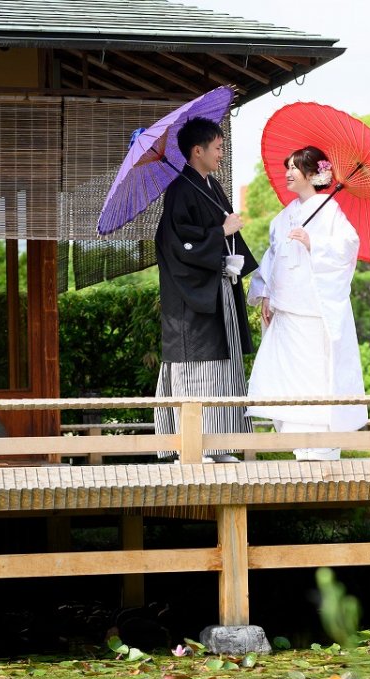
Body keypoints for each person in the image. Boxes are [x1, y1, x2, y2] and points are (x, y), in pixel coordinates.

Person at [246, 146, 366, 460]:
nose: (288, 173)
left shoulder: (329, 210)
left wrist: (316, 243)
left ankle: (323, 447)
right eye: (287, 166)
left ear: (313, 174)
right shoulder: (281, 219)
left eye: (295, 168)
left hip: (314, 311)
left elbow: (348, 246)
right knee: (285, 376)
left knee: (317, 376)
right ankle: (299, 443)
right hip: (286, 310)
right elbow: (272, 260)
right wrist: (267, 295)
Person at [153, 116, 257, 463]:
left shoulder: (210, 186)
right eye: (217, 147)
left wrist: (233, 259)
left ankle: (219, 444)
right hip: (192, 299)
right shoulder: (181, 189)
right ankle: (191, 447)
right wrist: (220, 235)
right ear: (197, 151)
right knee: (197, 368)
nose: (221, 154)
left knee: (223, 366)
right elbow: (177, 244)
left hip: (219, 288)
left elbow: (226, 234)